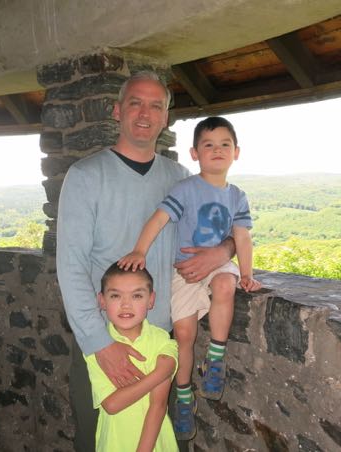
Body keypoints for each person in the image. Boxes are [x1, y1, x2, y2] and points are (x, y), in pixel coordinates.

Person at [56, 71, 235, 451]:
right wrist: (99, 343)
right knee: (98, 438)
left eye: (156, 105)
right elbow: (70, 265)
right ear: (117, 111)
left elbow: (223, 231)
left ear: (166, 117)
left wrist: (223, 251)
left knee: (162, 440)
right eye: (135, 102)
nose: (145, 112)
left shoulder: (181, 179)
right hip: (103, 338)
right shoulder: (86, 176)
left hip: (159, 341)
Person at [118, 116, 261, 440]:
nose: (217, 150)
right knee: (183, 332)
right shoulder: (185, 189)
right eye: (208, 145)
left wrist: (248, 274)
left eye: (225, 144)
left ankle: (216, 358)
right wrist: (139, 251)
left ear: (236, 152)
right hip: (184, 268)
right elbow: (158, 219)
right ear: (194, 153)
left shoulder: (237, 195)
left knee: (226, 284)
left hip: (218, 267)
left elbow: (243, 237)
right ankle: (184, 396)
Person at [85, 263, 178, 452]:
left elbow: (158, 405)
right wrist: (159, 374)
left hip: (156, 445)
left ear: (151, 300)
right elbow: (112, 404)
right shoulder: (97, 348)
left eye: (137, 295)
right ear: (102, 301)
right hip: (114, 443)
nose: (126, 304)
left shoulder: (162, 341)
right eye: (115, 295)